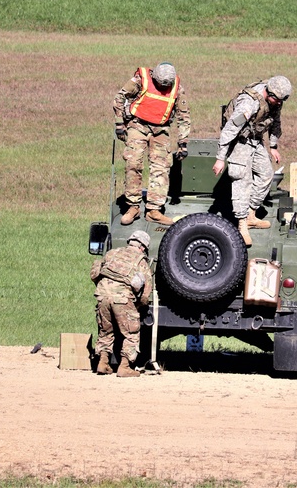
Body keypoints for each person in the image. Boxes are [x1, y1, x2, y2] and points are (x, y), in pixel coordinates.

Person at [212, 76, 292, 247]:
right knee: (242, 178)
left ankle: (251, 215)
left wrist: (273, 146)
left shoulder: (276, 101)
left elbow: (275, 121)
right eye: (276, 100)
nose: (278, 104)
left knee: (266, 174)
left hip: (255, 140)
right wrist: (220, 158)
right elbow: (230, 130)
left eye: (280, 101)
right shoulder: (249, 103)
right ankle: (241, 224)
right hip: (239, 141)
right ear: (268, 93)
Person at [113, 63, 191, 226]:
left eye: (165, 85)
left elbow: (184, 116)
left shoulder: (177, 88)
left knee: (161, 168)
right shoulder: (141, 80)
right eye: (160, 84)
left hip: (161, 130)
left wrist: (183, 142)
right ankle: (133, 206)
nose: (163, 87)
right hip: (138, 125)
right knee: (133, 163)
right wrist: (119, 124)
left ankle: (154, 210)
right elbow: (120, 97)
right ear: (154, 77)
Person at [90, 230, 153, 378]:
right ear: (143, 247)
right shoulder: (140, 261)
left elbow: (95, 273)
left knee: (105, 331)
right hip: (122, 299)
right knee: (131, 333)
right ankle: (125, 367)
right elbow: (146, 293)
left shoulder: (112, 253)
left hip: (102, 295)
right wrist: (138, 306)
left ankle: (103, 363)